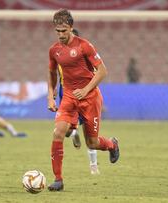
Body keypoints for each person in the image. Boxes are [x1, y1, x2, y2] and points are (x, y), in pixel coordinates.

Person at [47, 9, 120, 191]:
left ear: (71, 28)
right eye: (58, 31)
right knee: (58, 133)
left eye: (64, 31)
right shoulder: (54, 50)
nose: (61, 35)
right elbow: (51, 73)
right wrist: (51, 95)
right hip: (69, 97)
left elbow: (102, 71)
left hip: (90, 98)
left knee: (92, 143)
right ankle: (58, 180)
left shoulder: (84, 46)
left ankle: (112, 144)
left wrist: (86, 89)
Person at [55, 28, 100, 175]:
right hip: (66, 94)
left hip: (85, 95)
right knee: (65, 131)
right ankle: (73, 132)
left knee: (89, 133)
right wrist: (55, 89)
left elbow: (97, 72)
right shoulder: (60, 54)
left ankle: (93, 165)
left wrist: (89, 91)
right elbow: (57, 72)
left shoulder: (85, 54)